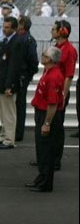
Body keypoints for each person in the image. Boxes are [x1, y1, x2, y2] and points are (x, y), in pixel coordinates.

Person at [26, 47, 66, 192]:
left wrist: (46, 123)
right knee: (41, 149)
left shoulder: (54, 77)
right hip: (41, 112)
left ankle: (46, 182)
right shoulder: (47, 72)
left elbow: (53, 103)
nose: (42, 56)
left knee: (46, 150)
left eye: (44, 55)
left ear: (50, 59)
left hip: (47, 115)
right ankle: (41, 177)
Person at [0, 16, 25, 149]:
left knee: (9, 112)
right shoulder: (6, 41)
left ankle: (9, 139)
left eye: (7, 27)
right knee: (3, 112)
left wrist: (9, 85)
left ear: (14, 28)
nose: (4, 30)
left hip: (8, 83)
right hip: (2, 81)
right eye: (4, 27)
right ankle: (3, 135)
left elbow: (14, 66)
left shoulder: (16, 42)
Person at [51, 20, 77, 168]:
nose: (52, 31)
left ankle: (55, 160)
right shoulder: (56, 47)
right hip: (52, 90)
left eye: (54, 29)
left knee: (57, 127)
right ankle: (47, 157)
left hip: (60, 92)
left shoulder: (70, 50)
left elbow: (69, 75)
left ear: (62, 31)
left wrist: (63, 94)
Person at [14, 16, 39, 142]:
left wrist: (28, 75)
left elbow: (33, 61)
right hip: (17, 75)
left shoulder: (28, 40)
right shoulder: (19, 37)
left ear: (22, 25)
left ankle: (18, 132)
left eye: (18, 23)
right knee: (15, 103)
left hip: (22, 75)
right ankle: (13, 130)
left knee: (20, 103)